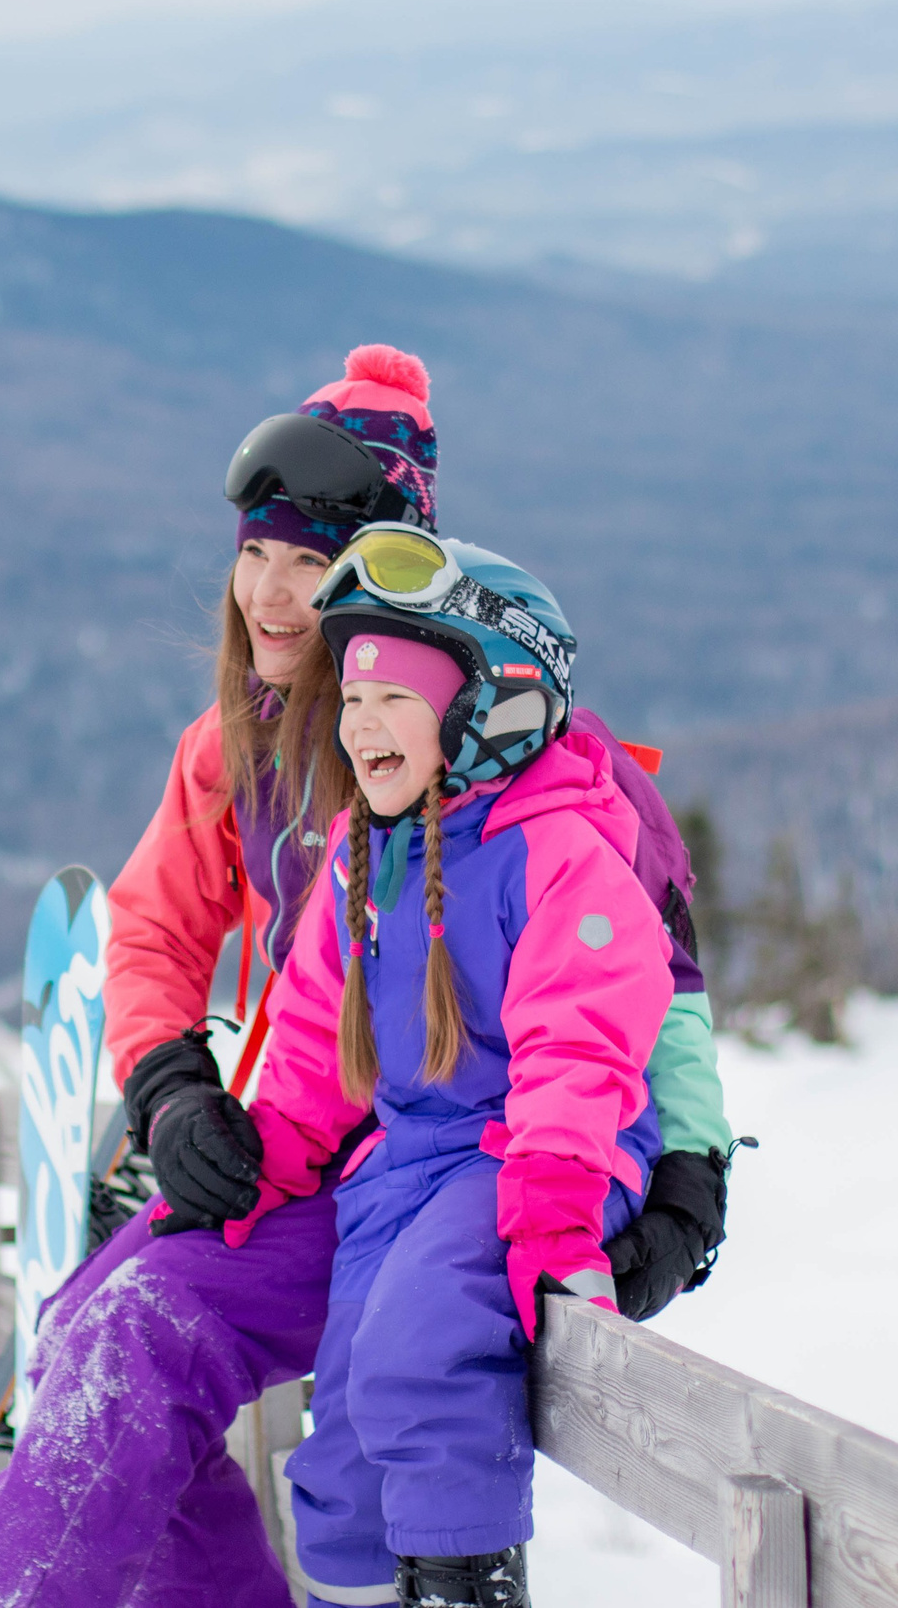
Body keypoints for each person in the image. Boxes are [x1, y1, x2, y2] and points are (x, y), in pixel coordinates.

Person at [0, 349, 731, 1608]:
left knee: (239, 1353)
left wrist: (690, 1176)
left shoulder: (535, 771)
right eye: (256, 555)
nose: (274, 593)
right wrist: (170, 1088)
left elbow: (651, 987)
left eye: (312, 562)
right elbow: (151, 931)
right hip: (316, 1157)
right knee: (95, 1329)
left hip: (477, 1162)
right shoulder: (237, 756)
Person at [231, 529, 665, 1607]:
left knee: (419, 1354)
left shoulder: (558, 851)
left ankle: (463, 1587)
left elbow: (581, 1037)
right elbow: (309, 1039)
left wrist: (557, 1200)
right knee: (340, 1458)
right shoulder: (358, 856)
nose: (360, 723)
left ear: (481, 715)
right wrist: (262, 1161)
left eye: (395, 699)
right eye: (355, 699)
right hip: (404, 1165)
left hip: (531, 1150)